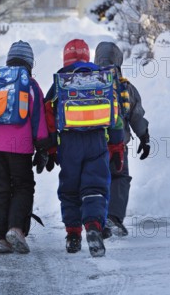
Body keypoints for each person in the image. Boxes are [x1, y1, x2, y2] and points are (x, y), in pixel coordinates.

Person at [0, 41, 51, 254]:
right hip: (19, 147)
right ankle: (15, 229)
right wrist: (42, 147)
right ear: (30, 63)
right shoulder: (30, 85)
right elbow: (38, 120)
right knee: (23, 186)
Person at [44, 39, 116, 257]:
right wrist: (116, 144)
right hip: (97, 140)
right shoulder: (101, 78)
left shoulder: (60, 81)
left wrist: (49, 148)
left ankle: (73, 234)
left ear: (65, 58)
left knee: (70, 189)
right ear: (87, 57)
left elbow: (48, 112)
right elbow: (116, 114)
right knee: (95, 186)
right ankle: (93, 226)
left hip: (69, 143)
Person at [94, 42, 150, 238]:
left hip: (92, 144)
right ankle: (114, 217)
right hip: (118, 145)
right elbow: (136, 115)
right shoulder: (125, 86)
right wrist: (144, 137)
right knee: (119, 178)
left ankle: (96, 220)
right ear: (119, 61)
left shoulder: (88, 82)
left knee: (95, 181)